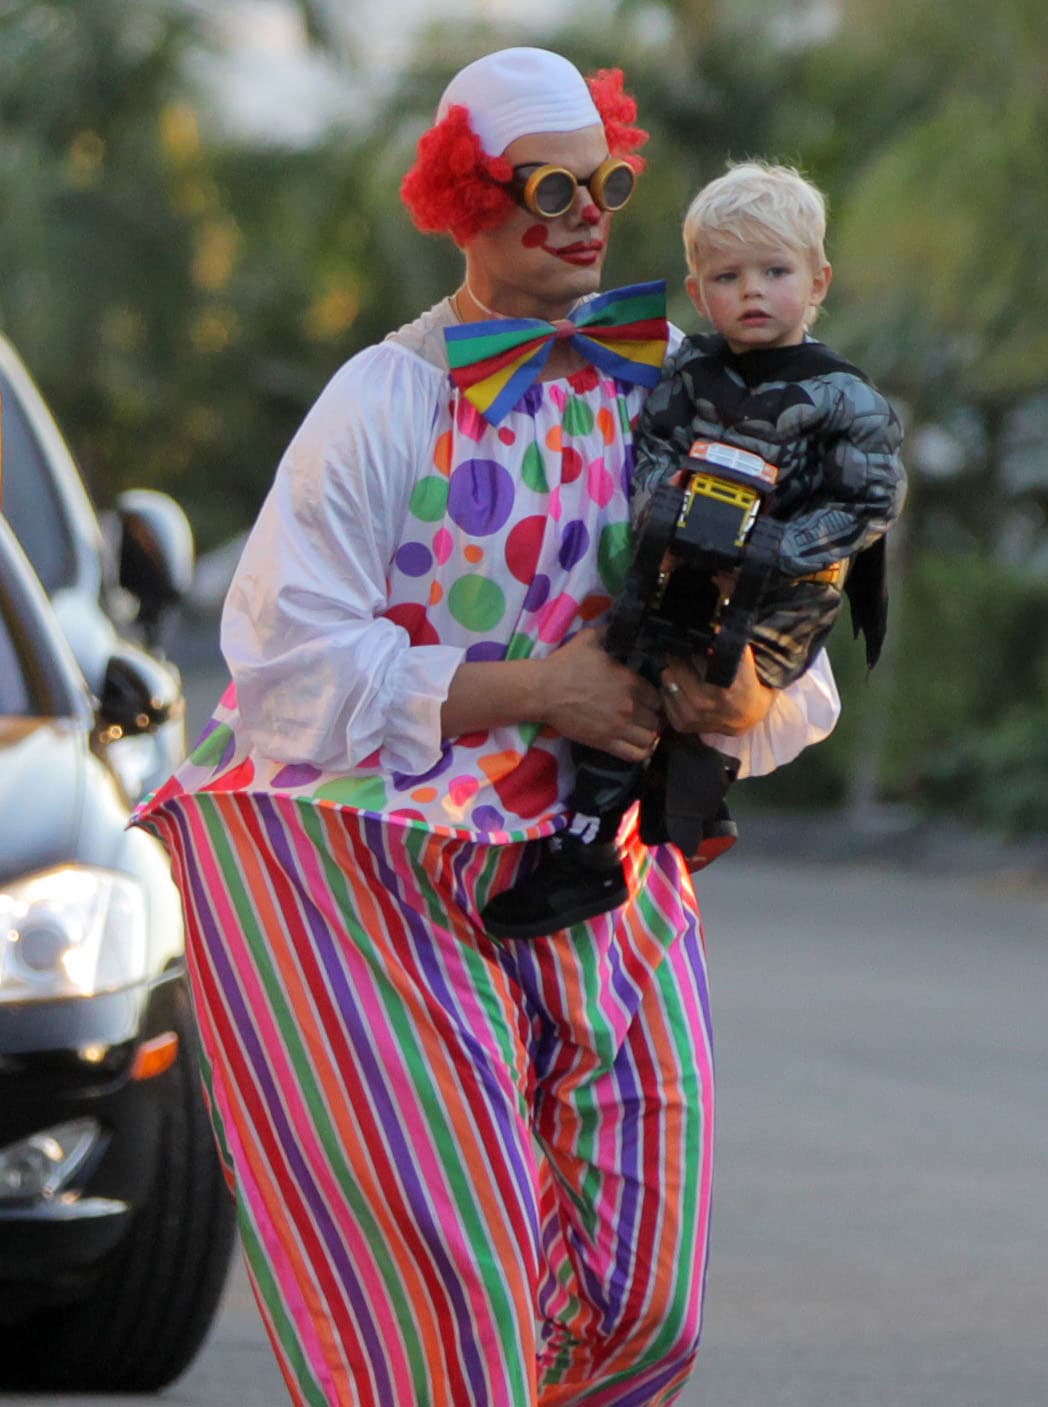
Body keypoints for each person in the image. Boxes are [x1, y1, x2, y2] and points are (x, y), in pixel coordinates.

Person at [135, 51, 841, 1407]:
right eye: (550, 187)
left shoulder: (701, 393)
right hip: (363, 865)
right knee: (446, 1296)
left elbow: (796, 656)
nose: (589, 213)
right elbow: (280, 665)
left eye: (608, 181)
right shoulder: (382, 401)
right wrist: (537, 688)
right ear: (469, 201)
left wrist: (732, 692)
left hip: (609, 851)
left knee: (644, 1304)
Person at [483, 160, 906, 941]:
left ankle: (696, 799)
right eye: (727, 275)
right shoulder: (689, 371)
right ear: (698, 287)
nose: (751, 291)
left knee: (713, 695)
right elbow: (651, 447)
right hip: (681, 562)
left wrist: (774, 545)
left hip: (785, 593)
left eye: (774, 272)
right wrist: (662, 511)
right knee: (623, 662)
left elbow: (866, 502)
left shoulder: (845, 397)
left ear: (818, 281)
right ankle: (589, 842)